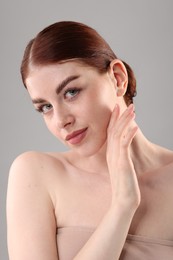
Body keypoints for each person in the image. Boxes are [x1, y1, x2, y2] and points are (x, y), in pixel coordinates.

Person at [6, 21, 173, 260]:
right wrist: (122, 206)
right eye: (45, 107)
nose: (61, 120)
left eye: (71, 92)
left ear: (117, 78)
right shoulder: (36, 174)